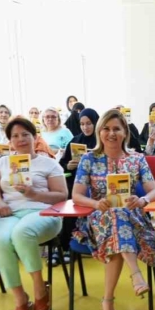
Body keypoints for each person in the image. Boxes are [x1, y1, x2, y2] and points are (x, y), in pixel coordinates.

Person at [72, 109, 155, 310]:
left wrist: (142, 200)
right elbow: (76, 195)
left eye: (116, 129)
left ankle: (108, 300)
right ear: (99, 132)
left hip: (132, 217)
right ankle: (136, 275)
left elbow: (154, 191)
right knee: (115, 217)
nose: (111, 133)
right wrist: (96, 203)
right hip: (98, 219)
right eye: (106, 128)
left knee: (119, 219)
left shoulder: (136, 159)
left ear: (125, 133)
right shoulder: (88, 159)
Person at [0, 117, 68, 310]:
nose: (20, 139)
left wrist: (34, 194)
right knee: (0, 241)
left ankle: (40, 290)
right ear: (10, 141)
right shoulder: (4, 162)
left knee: (22, 233)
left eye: (25, 134)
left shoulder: (49, 163)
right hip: (10, 213)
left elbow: (62, 195)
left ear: (35, 137)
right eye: (15, 136)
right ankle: (21, 299)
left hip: (44, 212)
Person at [59, 108, 99, 259]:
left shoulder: (102, 140)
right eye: (82, 124)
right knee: (71, 204)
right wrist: (68, 166)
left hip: (97, 183)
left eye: (89, 123)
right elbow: (62, 163)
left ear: (96, 123)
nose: (85, 127)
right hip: (78, 183)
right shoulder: (75, 140)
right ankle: (65, 247)